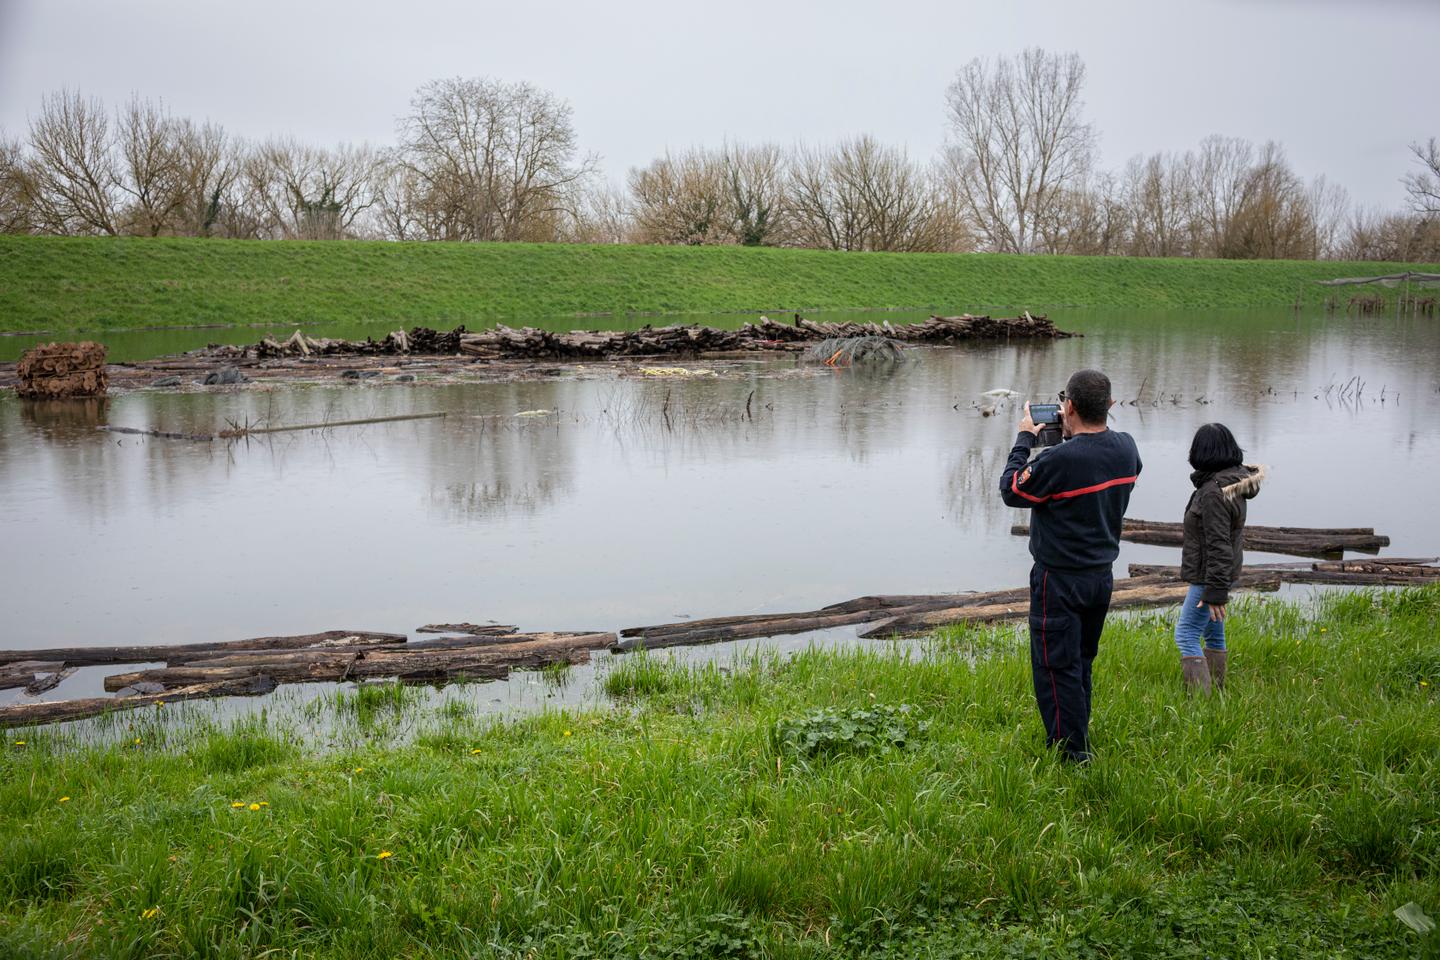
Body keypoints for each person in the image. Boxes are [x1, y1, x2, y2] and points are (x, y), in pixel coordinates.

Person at [999, 369, 1141, 763]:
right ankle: (1077, 736)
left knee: (1055, 666)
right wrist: (1070, 437)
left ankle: (1071, 755)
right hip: (1100, 577)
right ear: (1110, 406)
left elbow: (1012, 489)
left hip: (1058, 581)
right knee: (1080, 661)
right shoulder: (1127, 449)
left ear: (1069, 406)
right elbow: (1097, 463)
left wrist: (1026, 437)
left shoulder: (1060, 459)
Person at [1174, 423, 1264, 694]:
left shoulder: (1214, 492)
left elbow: (1218, 545)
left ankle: (1200, 702)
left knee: (1186, 633)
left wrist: (1215, 591)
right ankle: (1218, 690)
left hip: (1209, 575)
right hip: (1219, 574)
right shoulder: (1231, 483)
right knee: (1213, 630)